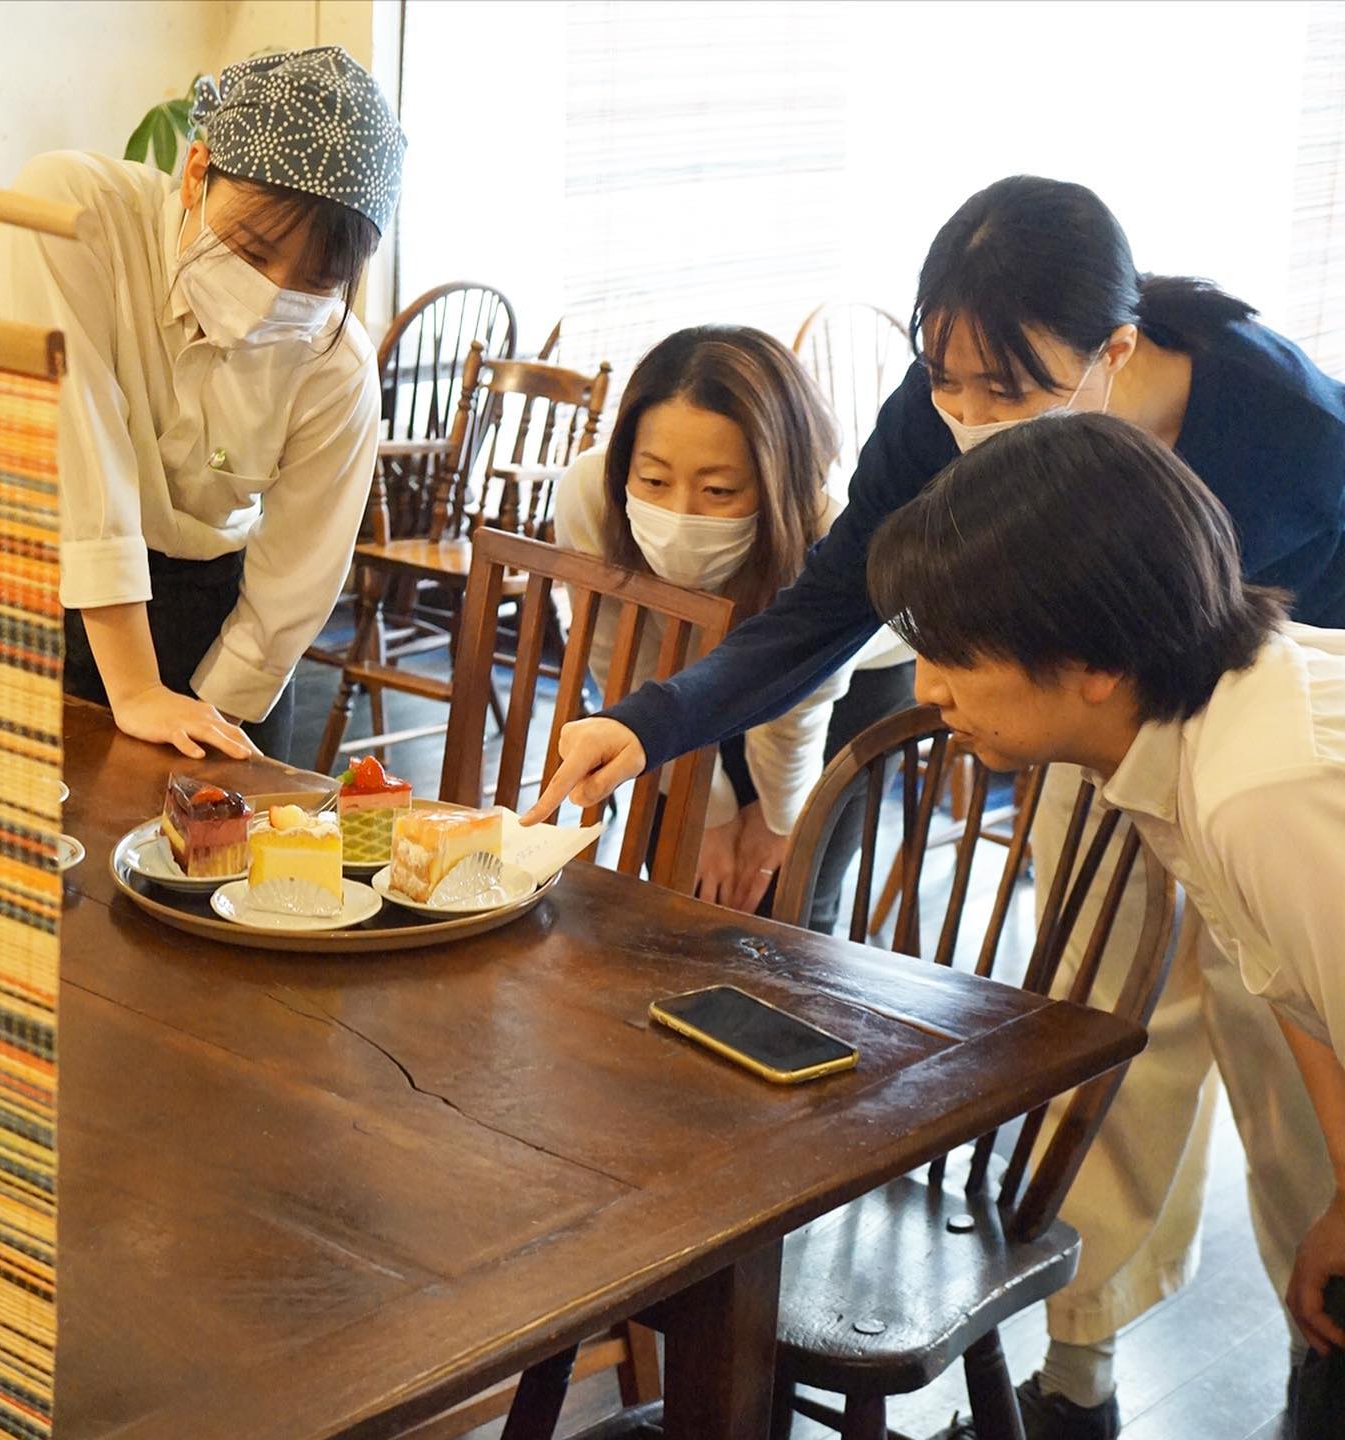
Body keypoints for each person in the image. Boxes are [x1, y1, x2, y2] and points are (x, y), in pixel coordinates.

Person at [525, 175, 1345, 1438]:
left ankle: (1324, 1345)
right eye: (944, 380)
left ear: (1113, 353)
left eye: (1001, 392)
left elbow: (1237, 711)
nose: (963, 417)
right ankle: (1084, 1366)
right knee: (1111, 1017)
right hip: (1139, 716)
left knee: (1283, 1046)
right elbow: (830, 604)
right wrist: (649, 724)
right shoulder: (956, 402)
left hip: (1263, 702)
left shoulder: (1284, 431)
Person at [867, 410, 1345, 1437]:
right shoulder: (1191, 726)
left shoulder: (1262, 789)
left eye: (953, 652)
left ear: (1093, 660)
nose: (928, 688)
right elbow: (1297, 989)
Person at [0, 46, 405, 761]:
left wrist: (212, 724)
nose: (274, 293)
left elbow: (296, 575)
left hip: (221, 613)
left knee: (231, 857)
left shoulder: (336, 364)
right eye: (251, 249)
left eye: (318, 278)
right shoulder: (68, 214)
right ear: (195, 173)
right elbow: (85, 461)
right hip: (57, 596)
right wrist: (137, 691)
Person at [552, 325, 914, 927]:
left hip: (850, 683)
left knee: (788, 899)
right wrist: (711, 813)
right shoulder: (591, 496)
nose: (680, 515)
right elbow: (627, 665)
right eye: (654, 480)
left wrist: (776, 823)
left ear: (778, 482)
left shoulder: (826, 527)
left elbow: (799, 700)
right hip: (677, 680)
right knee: (680, 885)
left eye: (718, 489)